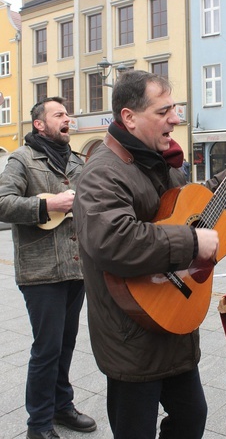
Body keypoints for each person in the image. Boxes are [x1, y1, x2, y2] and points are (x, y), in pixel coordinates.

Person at [73, 70, 226, 439]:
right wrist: (193, 244)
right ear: (129, 117)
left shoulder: (159, 161)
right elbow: (113, 240)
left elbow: (196, 204)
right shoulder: (102, 172)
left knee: (191, 417)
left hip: (173, 320)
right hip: (132, 332)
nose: (176, 118)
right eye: (164, 111)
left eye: (175, 109)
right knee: (136, 430)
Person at [0, 97, 96, 439]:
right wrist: (48, 205)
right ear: (40, 124)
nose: (66, 118)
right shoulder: (22, 160)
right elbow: (2, 203)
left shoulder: (75, 161)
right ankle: (38, 424)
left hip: (76, 268)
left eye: (67, 114)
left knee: (66, 344)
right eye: (59, 114)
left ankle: (61, 406)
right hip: (41, 272)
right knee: (47, 348)